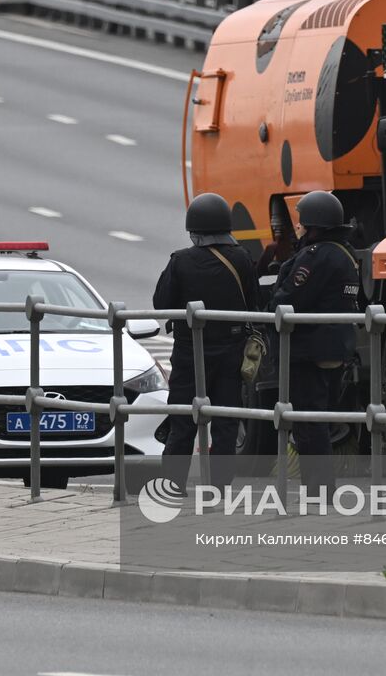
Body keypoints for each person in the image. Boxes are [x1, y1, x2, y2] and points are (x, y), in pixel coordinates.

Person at [152, 192, 257, 490]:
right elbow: (253, 303)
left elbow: (161, 304)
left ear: (193, 229)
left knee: (183, 417)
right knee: (225, 419)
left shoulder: (181, 261)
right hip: (232, 348)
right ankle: (219, 485)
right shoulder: (242, 258)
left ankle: (173, 483)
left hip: (189, 350)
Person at [270, 190, 359, 498]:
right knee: (318, 416)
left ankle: (318, 488)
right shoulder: (345, 253)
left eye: (303, 224)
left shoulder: (316, 256)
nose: (300, 229)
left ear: (314, 225)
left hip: (309, 349)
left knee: (308, 420)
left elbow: (288, 299)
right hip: (336, 348)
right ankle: (319, 487)